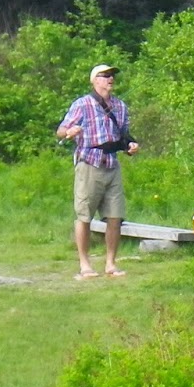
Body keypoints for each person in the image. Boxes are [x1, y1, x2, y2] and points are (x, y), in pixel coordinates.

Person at [57, 64, 139, 280]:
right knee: (84, 215)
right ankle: (85, 265)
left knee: (115, 216)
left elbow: (125, 135)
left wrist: (131, 146)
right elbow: (61, 129)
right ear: (94, 80)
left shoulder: (120, 107)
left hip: (112, 164)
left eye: (112, 76)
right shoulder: (82, 104)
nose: (110, 79)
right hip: (88, 163)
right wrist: (70, 131)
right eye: (105, 76)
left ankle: (111, 264)